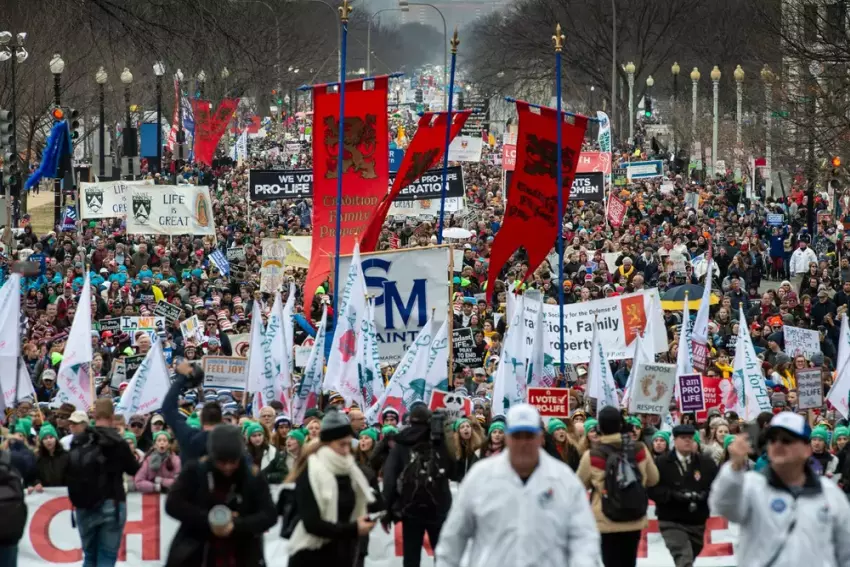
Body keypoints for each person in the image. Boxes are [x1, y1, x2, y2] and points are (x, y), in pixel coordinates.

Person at [435, 403, 600, 567]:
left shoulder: (563, 479)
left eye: (529, 436)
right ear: (507, 438)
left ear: (541, 438)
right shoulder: (481, 477)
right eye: (517, 436)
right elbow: (453, 538)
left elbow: (583, 536)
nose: (523, 443)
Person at [709, 412, 850, 566]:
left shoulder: (828, 493)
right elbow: (723, 506)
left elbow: (845, 551)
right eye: (773, 440)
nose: (778, 445)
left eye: (786, 440)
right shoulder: (752, 486)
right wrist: (734, 468)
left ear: (806, 449)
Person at [165, 424, 278, 567]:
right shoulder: (195, 471)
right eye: (222, 462)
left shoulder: (253, 477)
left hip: (242, 553)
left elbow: (269, 514)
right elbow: (173, 504)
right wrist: (208, 519)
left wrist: (237, 524)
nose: (227, 467)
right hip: (197, 552)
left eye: (233, 462)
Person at [286, 410, 377, 567]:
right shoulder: (311, 471)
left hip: (343, 555)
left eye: (349, 444)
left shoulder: (351, 471)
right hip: (311, 557)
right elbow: (312, 523)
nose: (347, 450)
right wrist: (353, 528)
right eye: (342, 444)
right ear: (327, 443)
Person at [577, 406, 659, 567]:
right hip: (634, 517)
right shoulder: (639, 449)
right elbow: (654, 479)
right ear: (621, 424)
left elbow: (578, 485)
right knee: (629, 562)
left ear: (600, 427)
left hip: (605, 519)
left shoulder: (593, 455)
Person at [67, 398, 141, 567]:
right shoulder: (118, 442)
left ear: (93, 415)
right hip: (112, 503)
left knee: (90, 557)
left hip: (84, 505)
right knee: (106, 558)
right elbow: (134, 469)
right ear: (112, 416)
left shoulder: (79, 440)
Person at [381, 404, 453, 567]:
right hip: (438, 507)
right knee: (443, 556)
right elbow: (453, 469)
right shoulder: (438, 440)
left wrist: (387, 511)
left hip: (410, 508)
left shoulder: (402, 441)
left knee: (411, 558)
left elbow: (390, 479)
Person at [648, 424, 719, 567]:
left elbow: (717, 487)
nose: (687, 441)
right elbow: (652, 488)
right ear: (675, 440)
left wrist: (704, 495)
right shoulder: (661, 463)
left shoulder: (706, 463)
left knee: (690, 557)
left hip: (697, 521)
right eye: (683, 438)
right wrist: (673, 496)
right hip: (671, 520)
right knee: (684, 557)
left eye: (690, 438)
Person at [162, 360, 221, 464]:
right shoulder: (231, 440)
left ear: (201, 419)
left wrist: (182, 378)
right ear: (221, 420)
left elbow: (168, 409)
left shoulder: (190, 437)